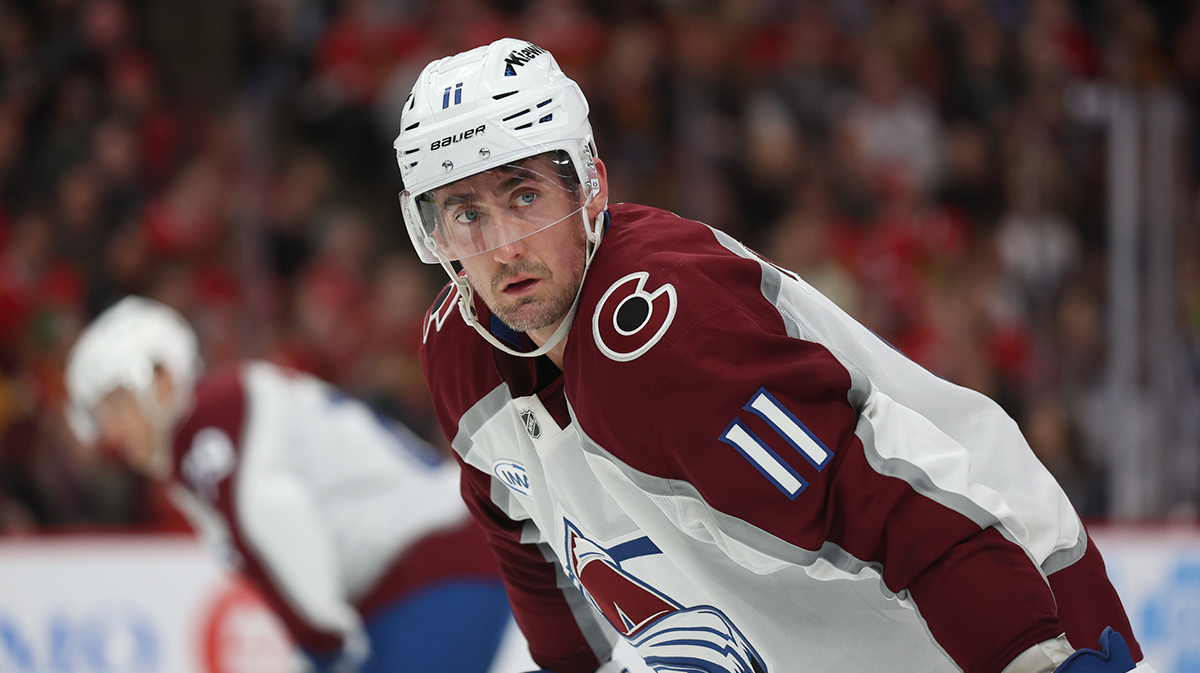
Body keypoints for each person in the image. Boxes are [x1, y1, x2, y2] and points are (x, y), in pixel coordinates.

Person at [395, 38, 1154, 673]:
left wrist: (1030, 657)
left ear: (590, 185)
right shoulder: (460, 356)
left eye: (525, 195)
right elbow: (535, 565)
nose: (501, 247)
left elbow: (896, 502)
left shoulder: (659, 329)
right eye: (466, 213)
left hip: (1001, 605)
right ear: (434, 235)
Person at [64, 296, 515, 673]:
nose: (111, 431)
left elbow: (273, 514)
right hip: (437, 572)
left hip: (433, 576)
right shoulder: (219, 416)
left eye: (114, 404)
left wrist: (325, 644)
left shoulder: (207, 423)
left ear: (161, 379)